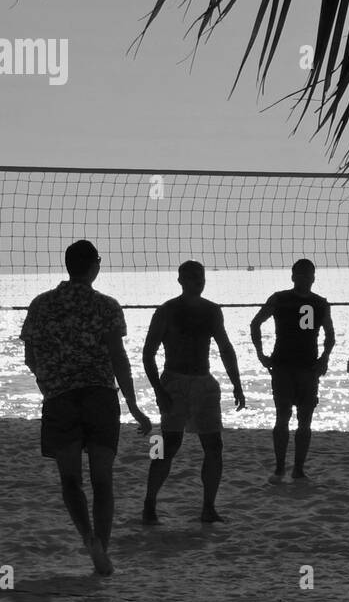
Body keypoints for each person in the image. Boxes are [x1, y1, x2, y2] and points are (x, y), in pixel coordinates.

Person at [21, 240, 152, 576]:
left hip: (60, 399)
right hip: (99, 397)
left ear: (68, 266)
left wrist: (49, 381)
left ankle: (88, 537)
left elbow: (31, 358)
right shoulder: (106, 306)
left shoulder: (40, 305)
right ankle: (102, 549)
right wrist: (134, 405)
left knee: (70, 481)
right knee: (102, 481)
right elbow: (119, 359)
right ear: (94, 266)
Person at [142, 260, 245, 523]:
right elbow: (148, 353)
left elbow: (225, 348)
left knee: (214, 446)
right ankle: (149, 504)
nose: (197, 282)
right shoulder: (166, 311)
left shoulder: (212, 311)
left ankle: (208, 508)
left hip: (203, 381)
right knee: (167, 446)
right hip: (174, 382)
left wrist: (237, 384)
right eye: (192, 278)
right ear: (181, 281)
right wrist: (158, 390)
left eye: (200, 278)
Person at [251, 259, 334, 483]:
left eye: (308, 275)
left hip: (308, 368)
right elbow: (255, 323)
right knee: (282, 417)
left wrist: (324, 359)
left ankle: (298, 469)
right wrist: (260, 354)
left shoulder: (320, 303)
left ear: (313, 278)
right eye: (301, 274)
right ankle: (279, 469)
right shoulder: (280, 299)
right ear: (293, 276)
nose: (305, 278)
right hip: (283, 367)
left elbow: (330, 335)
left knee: (305, 421)